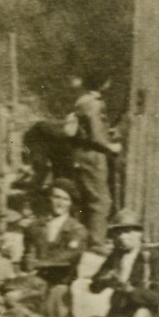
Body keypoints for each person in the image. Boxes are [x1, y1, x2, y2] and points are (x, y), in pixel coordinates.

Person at [22, 179, 88, 317]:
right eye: (56, 197)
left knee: (59, 311)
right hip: (38, 283)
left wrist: (37, 263)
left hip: (62, 282)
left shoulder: (76, 230)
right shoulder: (35, 227)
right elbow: (27, 254)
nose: (59, 203)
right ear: (49, 198)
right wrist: (27, 261)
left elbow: (69, 257)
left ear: (71, 203)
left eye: (65, 199)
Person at [71, 72, 120, 250]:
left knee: (87, 199)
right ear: (104, 83)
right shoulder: (94, 104)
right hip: (93, 156)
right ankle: (96, 244)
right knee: (101, 201)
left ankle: (85, 241)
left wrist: (108, 131)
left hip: (81, 155)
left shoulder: (82, 101)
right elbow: (96, 136)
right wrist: (111, 146)